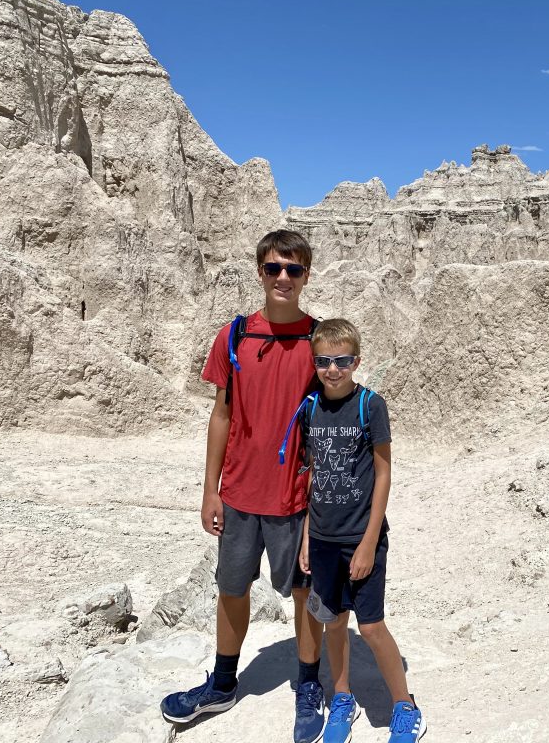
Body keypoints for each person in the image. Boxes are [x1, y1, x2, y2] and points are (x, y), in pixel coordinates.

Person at [161, 229, 329, 743]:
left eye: (294, 269)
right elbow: (222, 414)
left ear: (305, 276)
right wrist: (210, 489)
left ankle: (307, 684)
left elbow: (329, 426)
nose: (284, 278)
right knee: (231, 589)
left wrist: (321, 504)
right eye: (275, 268)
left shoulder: (318, 341)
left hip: (293, 496)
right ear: (259, 272)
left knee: (303, 593)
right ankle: (224, 682)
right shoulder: (234, 335)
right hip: (237, 494)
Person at [297, 318, 426, 743]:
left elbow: (384, 473)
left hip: (360, 537)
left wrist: (370, 540)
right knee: (333, 621)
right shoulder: (311, 407)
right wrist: (305, 538)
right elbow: (313, 474)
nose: (333, 369)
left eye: (342, 361)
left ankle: (406, 707)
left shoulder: (372, 405)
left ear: (357, 361)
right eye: (324, 361)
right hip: (323, 539)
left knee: (369, 626)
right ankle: (342, 698)